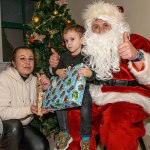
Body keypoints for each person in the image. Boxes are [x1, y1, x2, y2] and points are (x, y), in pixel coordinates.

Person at [49, 1, 150, 150]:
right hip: (93, 95)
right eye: (95, 27)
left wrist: (137, 56)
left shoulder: (135, 41)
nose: (100, 30)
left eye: (105, 25)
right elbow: (68, 67)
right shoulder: (87, 48)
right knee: (73, 116)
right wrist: (54, 67)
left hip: (127, 97)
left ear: (116, 25)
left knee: (116, 124)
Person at [52, 24, 94, 150]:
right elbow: (56, 68)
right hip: (67, 88)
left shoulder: (88, 56)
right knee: (59, 104)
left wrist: (89, 73)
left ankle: (85, 138)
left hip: (83, 89)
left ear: (82, 40)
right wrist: (57, 71)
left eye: (72, 39)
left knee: (85, 108)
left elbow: (95, 75)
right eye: (66, 41)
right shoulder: (64, 56)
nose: (68, 43)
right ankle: (64, 133)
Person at [0, 46, 50, 150]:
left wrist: (45, 90)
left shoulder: (35, 80)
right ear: (14, 63)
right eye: (22, 58)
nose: (27, 62)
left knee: (41, 146)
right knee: (14, 127)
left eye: (30, 59)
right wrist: (29, 109)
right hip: (4, 126)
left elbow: (41, 106)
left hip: (24, 125)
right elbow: (3, 113)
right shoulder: (3, 78)